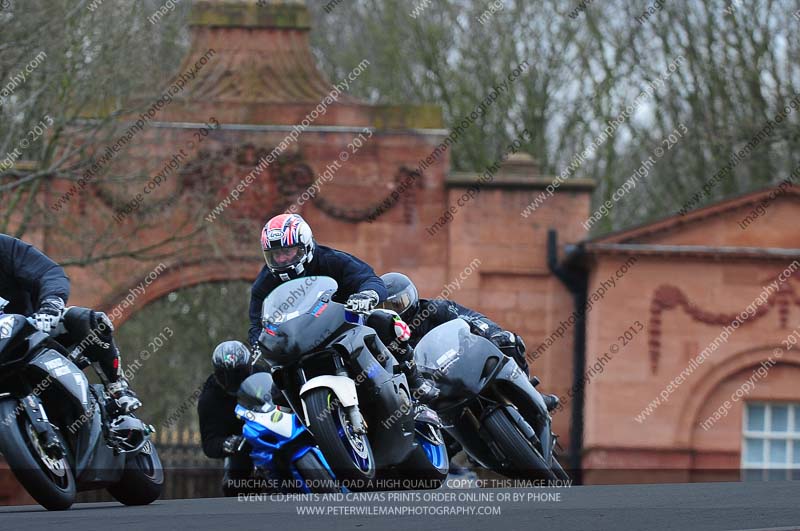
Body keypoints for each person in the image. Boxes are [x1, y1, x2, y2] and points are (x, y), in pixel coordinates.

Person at [248, 213, 437, 401]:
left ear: (305, 246)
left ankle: (415, 381)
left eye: (287, 252)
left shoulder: (332, 260)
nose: (281, 260)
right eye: (275, 255)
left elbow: (369, 279)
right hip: (297, 342)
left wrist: (367, 295)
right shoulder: (263, 285)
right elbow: (257, 324)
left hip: (345, 324)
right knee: (278, 394)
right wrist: (260, 344)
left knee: (385, 321)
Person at [377, 272, 559, 412]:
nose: (397, 310)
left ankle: (531, 393)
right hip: (433, 390)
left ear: (412, 296)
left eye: (400, 303)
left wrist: (492, 332)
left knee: (508, 341)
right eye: (389, 308)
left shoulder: (435, 309)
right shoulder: (387, 337)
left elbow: (470, 317)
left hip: (465, 364)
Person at [0, 233, 140, 413]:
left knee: (83, 320)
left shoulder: (4, 247)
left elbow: (48, 272)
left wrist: (50, 306)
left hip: (33, 333)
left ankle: (117, 387)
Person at [197, 340, 262, 497]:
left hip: (273, 430)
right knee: (234, 482)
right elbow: (209, 444)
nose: (233, 380)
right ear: (216, 373)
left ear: (249, 367)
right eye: (225, 375)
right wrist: (229, 443)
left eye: (239, 373)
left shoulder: (262, 375)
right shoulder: (209, 399)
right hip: (242, 446)